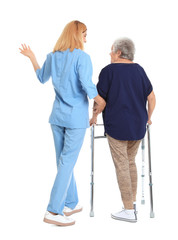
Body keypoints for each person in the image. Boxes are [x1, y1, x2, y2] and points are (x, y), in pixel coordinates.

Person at [19, 20, 106, 226]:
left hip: (57, 118)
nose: (86, 37)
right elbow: (87, 85)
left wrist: (33, 58)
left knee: (63, 163)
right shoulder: (83, 57)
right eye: (84, 33)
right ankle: (53, 211)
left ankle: (70, 202)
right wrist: (101, 100)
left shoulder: (52, 56)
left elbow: (41, 78)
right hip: (75, 119)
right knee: (66, 163)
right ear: (76, 35)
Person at [90, 37, 156, 223]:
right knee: (129, 163)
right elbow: (152, 98)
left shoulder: (108, 71)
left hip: (117, 126)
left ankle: (128, 210)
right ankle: (131, 205)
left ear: (119, 52)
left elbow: (99, 100)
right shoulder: (139, 70)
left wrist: (94, 117)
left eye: (111, 51)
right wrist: (149, 117)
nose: (109, 54)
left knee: (122, 165)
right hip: (138, 126)